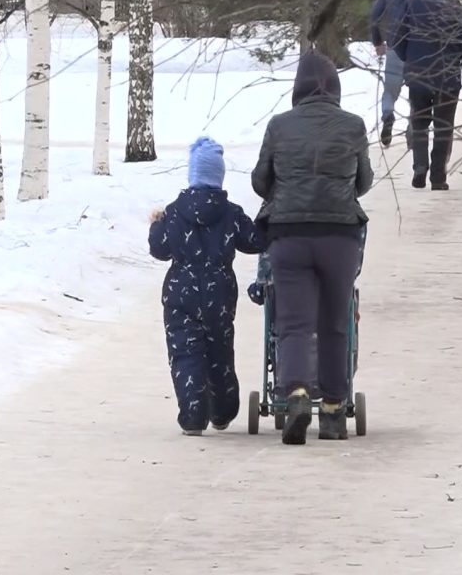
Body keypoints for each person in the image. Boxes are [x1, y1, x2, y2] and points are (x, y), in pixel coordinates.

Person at [251, 50, 373, 445]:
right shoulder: (353, 126)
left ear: (297, 88)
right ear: (335, 89)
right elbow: (364, 181)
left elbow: (260, 181)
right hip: (339, 237)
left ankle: (297, 393)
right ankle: (335, 410)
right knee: (335, 323)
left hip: (289, 237)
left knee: (294, 324)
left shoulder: (279, 126)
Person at [148, 136, 263, 436]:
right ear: (219, 176)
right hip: (219, 294)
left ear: (192, 175)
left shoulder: (173, 212)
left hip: (180, 296)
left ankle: (193, 415)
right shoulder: (231, 213)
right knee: (219, 352)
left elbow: (159, 249)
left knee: (185, 354)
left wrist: (156, 224)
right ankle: (223, 412)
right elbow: (255, 241)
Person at [396, 0, 462, 191]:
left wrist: (410, 59)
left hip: (418, 76)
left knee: (419, 122)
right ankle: (438, 176)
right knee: (444, 127)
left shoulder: (413, 6)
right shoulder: (460, 13)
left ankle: (420, 166)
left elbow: (398, 38)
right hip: (448, 79)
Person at [369, 0, 428, 147]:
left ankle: (388, 115)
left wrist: (378, 41)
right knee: (417, 92)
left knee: (390, 90)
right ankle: (412, 127)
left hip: (395, 45)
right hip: (418, 49)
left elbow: (374, 16)